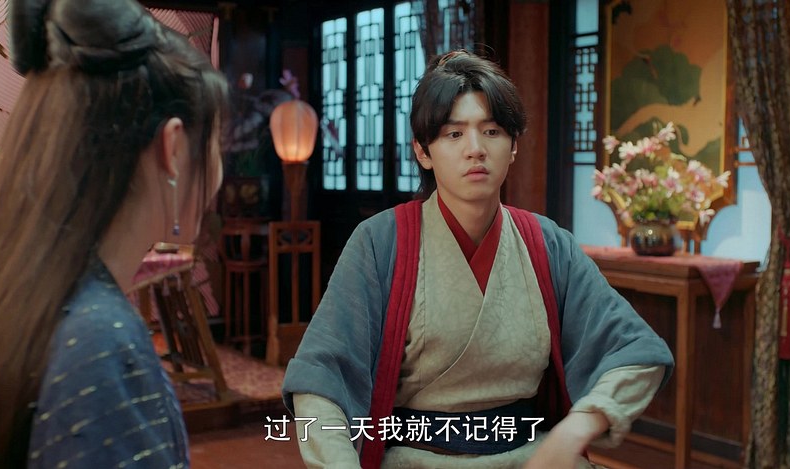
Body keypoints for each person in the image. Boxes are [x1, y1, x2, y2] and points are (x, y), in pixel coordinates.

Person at [282, 49, 674, 469]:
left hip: (533, 458)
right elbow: (320, 380)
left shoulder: (548, 244)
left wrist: (578, 427)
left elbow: (636, 349)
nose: (475, 149)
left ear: (514, 145)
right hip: (418, 460)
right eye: (454, 134)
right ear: (423, 151)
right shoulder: (381, 242)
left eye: (491, 131)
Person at [0, 0, 228, 466]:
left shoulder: (33, 291)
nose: (220, 169)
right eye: (216, 141)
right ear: (173, 147)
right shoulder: (100, 342)